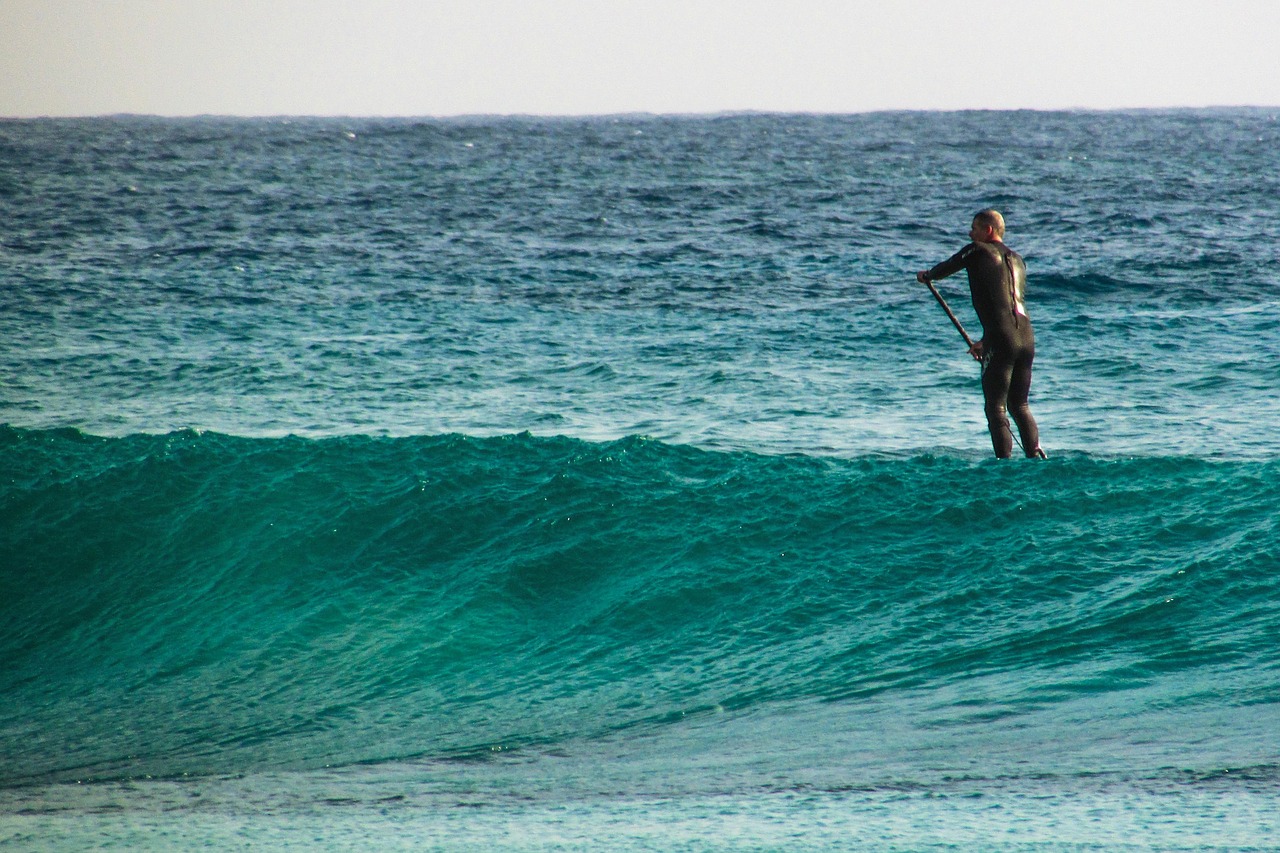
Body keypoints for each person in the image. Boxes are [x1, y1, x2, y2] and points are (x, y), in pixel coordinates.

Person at [916, 209, 1045, 459]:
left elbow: (951, 264)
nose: (970, 233)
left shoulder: (977, 250)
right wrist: (986, 342)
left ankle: (1004, 468)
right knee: (1020, 405)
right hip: (1026, 337)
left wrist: (928, 275)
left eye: (974, 228)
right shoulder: (1018, 260)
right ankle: (1035, 457)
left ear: (988, 230)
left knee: (996, 408)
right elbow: (1006, 306)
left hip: (1001, 337)